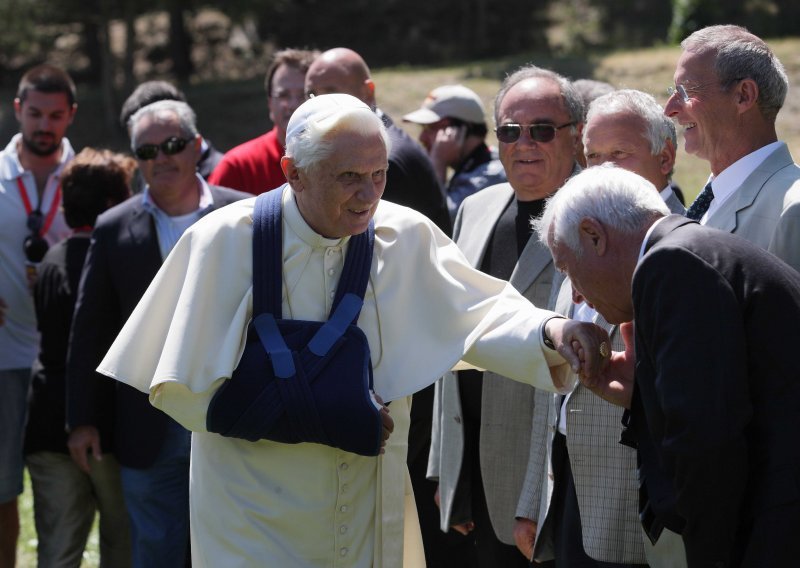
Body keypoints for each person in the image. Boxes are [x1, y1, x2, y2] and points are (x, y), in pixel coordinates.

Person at [96, 93, 609, 568]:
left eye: (379, 174)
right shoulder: (223, 240)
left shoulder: (401, 233)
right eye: (348, 177)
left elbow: (478, 315)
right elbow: (180, 389)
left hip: (366, 513)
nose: (368, 196)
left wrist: (553, 331)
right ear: (293, 173)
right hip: (253, 522)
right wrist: (318, 413)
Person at [534, 163, 800, 567]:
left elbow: (707, 445)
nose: (579, 298)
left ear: (593, 235)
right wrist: (642, 395)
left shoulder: (671, 264)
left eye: (568, 269)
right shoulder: (687, 251)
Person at [65, 100, 248, 568]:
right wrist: (83, 419)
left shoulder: (244, 215)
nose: (161, 158)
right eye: (146, 151)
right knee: (156, 550)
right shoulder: (113, 228)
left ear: (197, 146)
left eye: (172, 145)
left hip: (228, 416)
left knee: (233, 547)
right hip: (146, 420)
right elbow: (91, 326)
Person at [514, 89, 687, 568]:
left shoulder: (685, 251)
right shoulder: (578, 230)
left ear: (666, 157)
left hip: (634, 505)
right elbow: (550, 384)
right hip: (566, 485)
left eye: (619, 155)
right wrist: (533, 498)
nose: (602, 170)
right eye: (593, 157)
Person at [428, 65, 583, 567]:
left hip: (548, 493)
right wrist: (446, 471)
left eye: (542, 129)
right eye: (511, 131)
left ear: (576, 137)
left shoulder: (594, 216)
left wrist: (538, 498)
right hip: (476, 479)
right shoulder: (475, 207)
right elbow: (448, 333)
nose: (525, 144)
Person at [24, 148, 134, 568]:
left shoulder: (51, 260)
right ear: (111, 204)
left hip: (46, 424)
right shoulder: (105, 262)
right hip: (102, 427)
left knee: (57, 550)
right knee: (119, 542)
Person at [0, 63, 76, 567]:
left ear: (71, 115)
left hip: (66, 361)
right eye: (34, 114)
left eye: (54, 115)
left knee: (68, 496)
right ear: (17, 111)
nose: (43, 125)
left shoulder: (93, 176)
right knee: (2, 490)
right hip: (4, 357)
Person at [664, 24, 800, 271]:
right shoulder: (713, 196)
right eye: (673, 91)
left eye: (685, 90)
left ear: (743, 95)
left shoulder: (793, 211)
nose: (670, 109)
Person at [305, 47, 451, 234]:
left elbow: (374, 244)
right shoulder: (376, 144)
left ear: (367, 92)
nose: (318, 104)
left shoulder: (382, 161)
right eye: (310, 94)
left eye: (330, 93)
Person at [208, 48, 318, 195]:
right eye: (283, 95)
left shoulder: (343, 158)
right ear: (270, 103)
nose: (293, 104)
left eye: (304, 94)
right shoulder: (238, 167)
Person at [402, 84, 506, 220]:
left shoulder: (490, 175)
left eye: (431, 128)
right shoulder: (476, 164)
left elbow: (441, 221)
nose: (422, 137)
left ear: (459, 131)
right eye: (423, 128)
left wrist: (438, 163)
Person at [119, 80, 223, 181]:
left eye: (171, 145)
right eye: (146, 151)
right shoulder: (148, 174)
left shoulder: (225, 173)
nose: (159, 159)